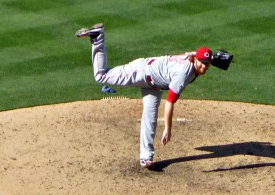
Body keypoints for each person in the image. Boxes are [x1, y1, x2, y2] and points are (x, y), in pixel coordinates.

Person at [75, 23, 213, 170]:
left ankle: (146, 157)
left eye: (207, 64)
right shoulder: (183, 73)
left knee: (150, 115)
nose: (204, 66)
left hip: (154, 85)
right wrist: (168, 128)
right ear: (196, 60)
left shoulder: (192, 57)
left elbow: (199, 56)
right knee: (101, 76)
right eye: (202, 63)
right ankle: (98, 37)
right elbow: (170, 102)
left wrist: (212, 58)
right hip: (140, 71)